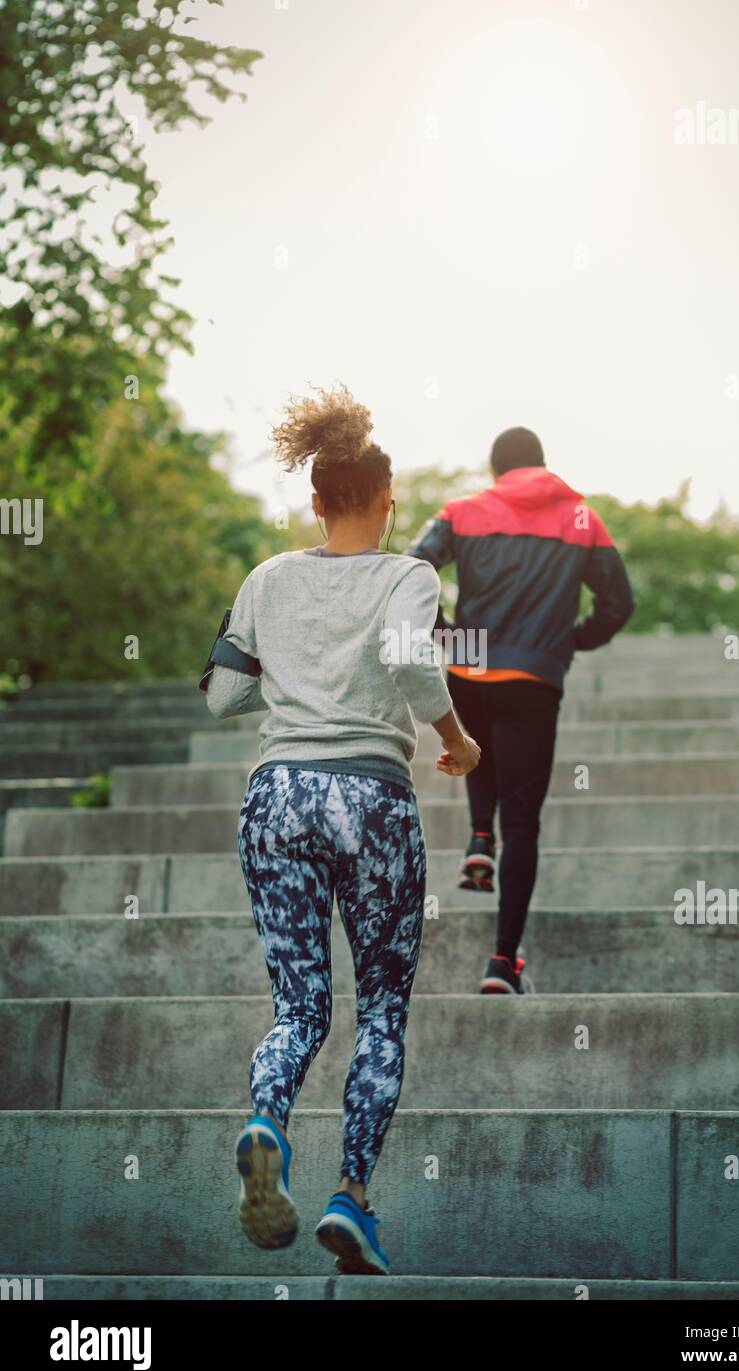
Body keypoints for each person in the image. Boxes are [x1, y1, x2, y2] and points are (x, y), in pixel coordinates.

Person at [204, 385, 480, 1275]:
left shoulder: (268, 578)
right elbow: (412, 665)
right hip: (371, 800)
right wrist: (457, 740)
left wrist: (283, 656)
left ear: (316, 500)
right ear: (387, 499)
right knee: (382, 1014)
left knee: (300, 1008)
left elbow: (221, 696)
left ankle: (267, 1122)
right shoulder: (407, 575)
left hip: (277, 797)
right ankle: (351, 1197)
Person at [409, 426, 635, 995]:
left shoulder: (462, 511)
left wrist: (449, 639)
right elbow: (620, 601)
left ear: (495, 470)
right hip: (534, 677)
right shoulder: (581, 517)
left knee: (475, 745)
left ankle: (478, 836)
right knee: (525, 822)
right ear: (542, 463)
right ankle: (502, 963)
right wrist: (571, 640)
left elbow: (410, 573)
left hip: (470, 667)